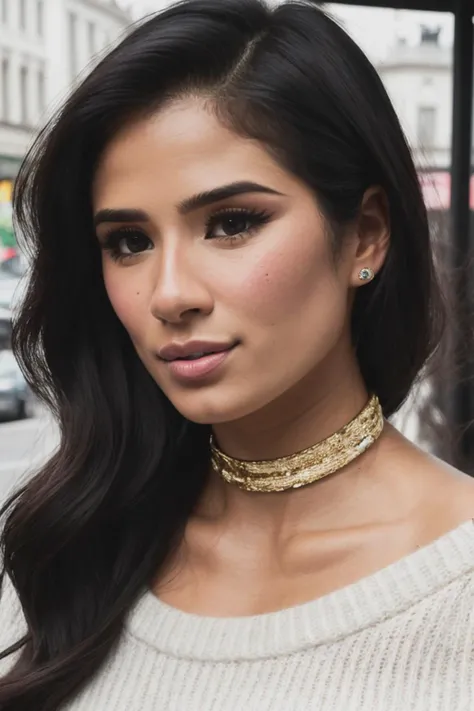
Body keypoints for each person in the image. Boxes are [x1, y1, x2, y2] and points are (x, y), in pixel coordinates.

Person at [1, 0, 474, 708]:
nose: (169, 294)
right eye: (129, 241)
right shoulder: (71, 547)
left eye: (231, 223)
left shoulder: (457, 590)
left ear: (367, 235)